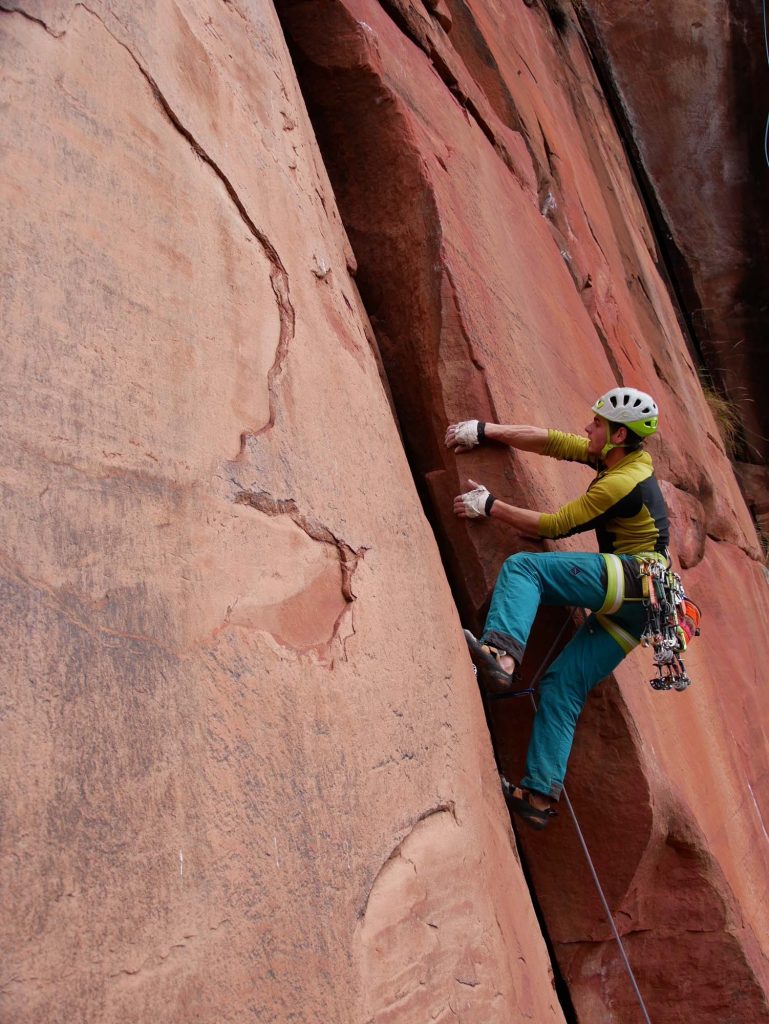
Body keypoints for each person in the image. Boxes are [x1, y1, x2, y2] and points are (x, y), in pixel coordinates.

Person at [446, 387, 668, 830]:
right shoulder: (620, 459)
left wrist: (490, 505)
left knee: (524, 570)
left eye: (598, 424)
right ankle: (539, 795)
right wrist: (486, 431)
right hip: (648, 610)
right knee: (562, 687)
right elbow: (552, 440)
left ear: (618, 435)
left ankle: (500, 654)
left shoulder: (623, 482)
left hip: (635, 578)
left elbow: (557, 525)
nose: (588, 427)